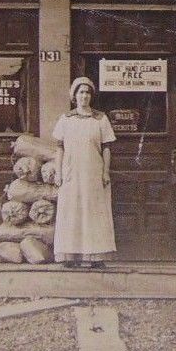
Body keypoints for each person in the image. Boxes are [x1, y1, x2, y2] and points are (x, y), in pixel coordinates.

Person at [52, 76, 116, 268]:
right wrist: (58, 172)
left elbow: (106, 148)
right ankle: (69, 256)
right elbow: (59, 148)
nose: (84, 96)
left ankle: (96, 257)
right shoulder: (66, 119)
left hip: (93, 174)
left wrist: (105, 172)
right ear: (74, 96)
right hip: (72, 173)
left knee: (94, 213)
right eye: (80, 92)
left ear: (92, 96)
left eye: (87, 92)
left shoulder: (100, 119)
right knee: (71, 213)